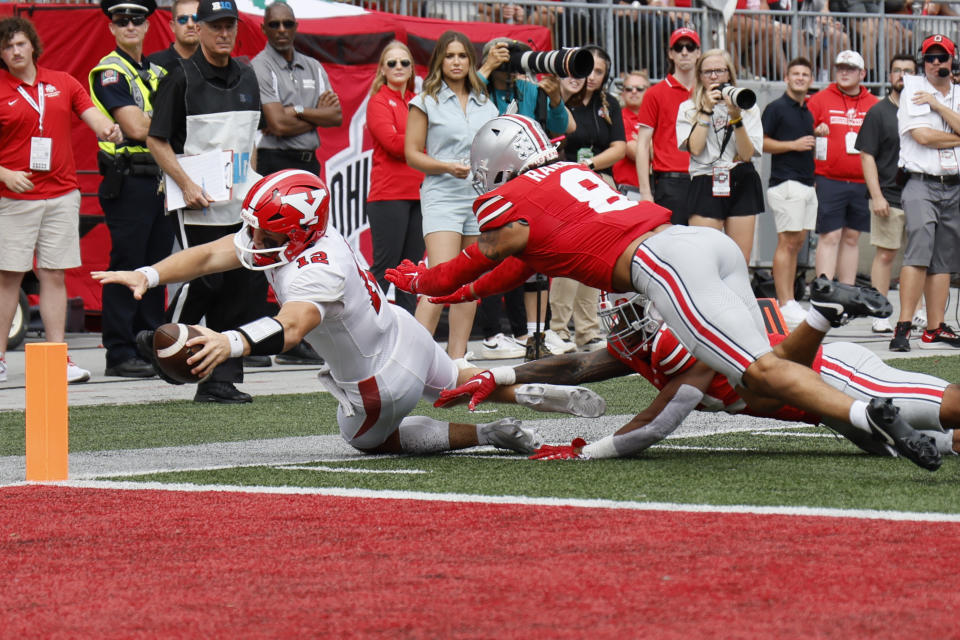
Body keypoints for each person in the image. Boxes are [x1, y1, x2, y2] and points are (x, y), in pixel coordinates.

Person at [385, 114, 942, 471]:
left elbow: (465, 265)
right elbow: (506, 271)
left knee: (759, 375)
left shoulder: (513, 204)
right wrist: (461, 299)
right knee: (765, 372)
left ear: (498, 165)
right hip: (695, 243)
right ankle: (874, 413)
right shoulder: (570, 179)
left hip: (664, 265)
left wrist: (416, 281)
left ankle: (868, 408)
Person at [92, 171, 607, 455]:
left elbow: (292, 327)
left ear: (299, 233)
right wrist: (150, 274)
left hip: (377, 380)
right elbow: (209, 253)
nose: (255, 242)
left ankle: (489, 434)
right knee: (457, 380)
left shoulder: (314, 269)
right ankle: (536, 394)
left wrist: (228, 343)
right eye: (254, 230)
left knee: (367, 442)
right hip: (403, 333)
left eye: (268, 236)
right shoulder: (314, 233)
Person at [446, 293, 959, 461]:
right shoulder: (644, 340)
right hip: (821, 410)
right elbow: (579, 364)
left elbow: (656, 422)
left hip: (839, 377)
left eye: (627, 315)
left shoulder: (684, 340)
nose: (620, 327)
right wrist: (500, 375)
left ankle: (825, 315)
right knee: (936, 445)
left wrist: (587, 452)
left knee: (944, 404)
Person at [145, 0, 266, 403]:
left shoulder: (248, 75)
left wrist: (255, 185)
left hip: (239, 199)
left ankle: (219, 380)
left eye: (230, 25)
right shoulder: (180, 77)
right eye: (216, 26)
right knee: (204, 277)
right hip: (197, 199)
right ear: (199, 28)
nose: (224, 33)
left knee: (236, 285)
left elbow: (250, 140)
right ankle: (164, 343)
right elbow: (155, 140)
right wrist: (185, 183)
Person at [0, 16, 121, 385]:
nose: (15, 51)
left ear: (33, 45)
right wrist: (3, 173)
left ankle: (57, 359)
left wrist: (107, 128)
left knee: (54, 274)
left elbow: (91, 114)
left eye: (20, 44)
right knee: (8, 279)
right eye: (7, 47)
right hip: (13, 197)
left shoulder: (62, 82)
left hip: (62, 193)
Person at [251, 0, 341, 366]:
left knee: (306, 247)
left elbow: (335, 115)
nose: (283, 30)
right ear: (265, 29)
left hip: (308, 164)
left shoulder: (314, 66)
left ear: (296, 25)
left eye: (288, 23)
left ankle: (295, 335)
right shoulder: (261, 65)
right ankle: (267, 331)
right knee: (271, 249)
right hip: (276, 162)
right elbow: (276, 124)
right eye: (275, 25)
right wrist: (308, 116)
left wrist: (297, 112)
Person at [89, 0, 175, 379]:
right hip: (129, 180)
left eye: (135, 20)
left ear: (146, 26)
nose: (128, 26)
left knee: (157, 269)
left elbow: (171, 123)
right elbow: (137, 127)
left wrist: (153, 120)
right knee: (126, 265)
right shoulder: (109, 71)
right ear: (111, 27)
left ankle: (153, 346)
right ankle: (120, 351)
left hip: (161, 178)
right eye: (120, 20)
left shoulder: (159, 70)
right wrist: (159, 120)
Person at [403, 30, 498, 362]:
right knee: (441, 279)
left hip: (478, 198)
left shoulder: (486, 101)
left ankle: (457, 358)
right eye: (449, 56)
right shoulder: (424, 100)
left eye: (462, 56)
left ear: (471, 61)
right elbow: (412, 154)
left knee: (469, 282)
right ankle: (410, 359)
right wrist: (445, 166)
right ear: (439, 60)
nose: (456, 62)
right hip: (442, 195)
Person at [551, 45, 625, 354]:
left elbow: (620, 147)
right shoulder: (559, 99)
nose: (590, 77)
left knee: (594, 257)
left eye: (598, 72)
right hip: (564, 185)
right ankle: (557, 329)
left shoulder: (609, 104)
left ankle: (588, 330)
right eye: (587, 69)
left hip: (600, 183)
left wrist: (590, 166)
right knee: (569, 256)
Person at [890, 34, 960, 351]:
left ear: (951, 60)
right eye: (930, 58)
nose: (935, 63)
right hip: (920, 180)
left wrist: (937, 107)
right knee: (919, 250)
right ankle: (903, 325)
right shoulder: (913, 88)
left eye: (941, 57)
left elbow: (937, 132)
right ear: (923, 62)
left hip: (953, 182)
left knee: (944, 259)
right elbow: (922, 136)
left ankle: (935, 328)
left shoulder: (956, 92)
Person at [676, 48, 764, 263]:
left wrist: (736, 118)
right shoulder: (688, 108)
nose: (714, 76)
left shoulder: (747, 106)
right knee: (705, 257)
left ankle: (736, 297)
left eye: (719, 71)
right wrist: (705, 110)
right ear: (699, 76)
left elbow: (746, 154)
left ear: (729, 74)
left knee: (739, 259)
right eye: (708, 72)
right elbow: (695, 149)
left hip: (740, 177)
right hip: (706, 177)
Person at [855, 53, 919, 335]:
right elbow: (867, 156)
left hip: (922, 193)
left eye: (908, 70)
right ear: (889, 75)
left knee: (920, 258)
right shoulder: (878, 112)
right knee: (885, 255)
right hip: (889, 196)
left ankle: (916, 313)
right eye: (897, 70)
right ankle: (880, 312)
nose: (901, 75)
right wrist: (876, 195)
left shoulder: (924, 110)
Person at [806, 50, 878, 284]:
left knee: (852, 237)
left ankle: (847, 291)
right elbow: (804, 133)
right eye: (840, 68)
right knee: (830, 235)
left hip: (860, 180)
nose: (844, 72)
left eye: (851, 69)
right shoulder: (819, 99)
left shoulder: (872, 104)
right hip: (829, 178)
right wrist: (815, 133)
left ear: (862, 73)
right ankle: (824, 288)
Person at [365, 40, 425, 318]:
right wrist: (423, 143)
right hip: (389, 195)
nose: (398, 67)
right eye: (392, 63)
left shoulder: (417, 101)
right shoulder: (378, 100)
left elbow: (411, 144)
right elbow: (391, 143)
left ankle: (408, 335)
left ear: (412, 68)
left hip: (419, 193)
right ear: (383, 69)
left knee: (409, 271)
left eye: (404, 62)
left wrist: (416, 144)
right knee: (385, 268)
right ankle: (361, 327)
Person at [761, 56, 818, 328]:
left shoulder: (805, 111)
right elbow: (760, 142)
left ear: (810, 79)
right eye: (795, 73)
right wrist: (793, 145)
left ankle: (790, 301)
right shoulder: (776, 108)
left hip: (807, 184)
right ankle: (783, 303)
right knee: (787, 242)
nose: (800, 78)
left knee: (796, 244)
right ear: (786, 78)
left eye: (805, 74)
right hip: (785, 183)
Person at [636, 27, 701, 224]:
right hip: (670, 181)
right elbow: (642, 144)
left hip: (704, 178)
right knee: (674, 247)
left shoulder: (706, 92)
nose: (684, 52)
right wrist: (645, 192)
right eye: (678, 47)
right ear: (670, 54)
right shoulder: (655, 93)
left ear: (698, 53)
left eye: (690, 47)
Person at [612, 69, 650, 190]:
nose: (634, 92)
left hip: (656, 188)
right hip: (627, 188)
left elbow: (667, 153)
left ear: (649, 92)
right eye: (628, 89)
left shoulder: (657, 118)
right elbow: (634, 152)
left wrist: (641, 142)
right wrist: (652, 143)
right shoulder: (619, 118)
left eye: (639, 88)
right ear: (622, 93)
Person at [146, 0, 199, 72]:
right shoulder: (153, 64)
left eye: (195, 19)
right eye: (183, 19)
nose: (190, 25)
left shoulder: (215, 61)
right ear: (172, 26)